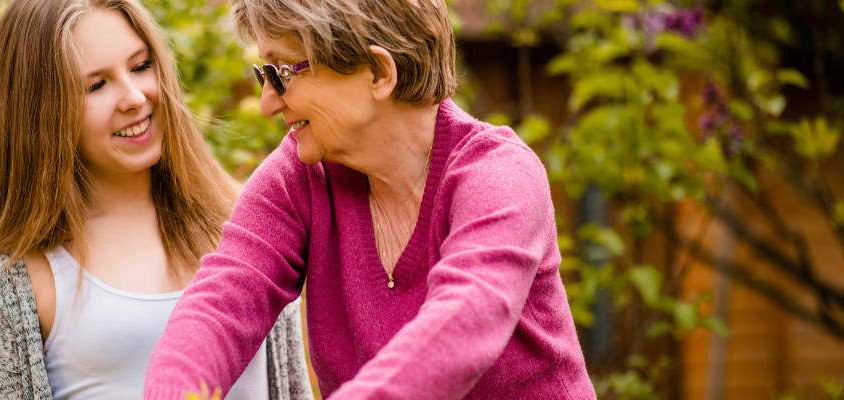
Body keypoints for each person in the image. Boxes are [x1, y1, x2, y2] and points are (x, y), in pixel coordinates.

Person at [145, 0, 597, 398]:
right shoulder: (303, 175)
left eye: (282, 73)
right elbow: (223, 301)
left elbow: (464, 321)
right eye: (264, 74)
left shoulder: (496, 175)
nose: (267, 102)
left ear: (378, 72)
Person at [0, 0, 313, 398]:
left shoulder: (248, 221)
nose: (133, 97)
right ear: (41, 111)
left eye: (140, 66)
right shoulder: (14, 276)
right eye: (96, 85)